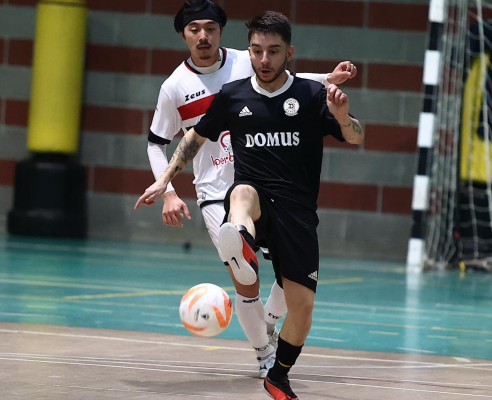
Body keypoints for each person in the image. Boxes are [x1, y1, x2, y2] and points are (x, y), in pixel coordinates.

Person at [136, 10, 363, 399]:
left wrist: (339, 109)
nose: (263, 59)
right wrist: (165, 183)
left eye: (272, 51)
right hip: (238, 193)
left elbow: (349, 130)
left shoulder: (300, 91)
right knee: (242, 199)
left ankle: (276, 364)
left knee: (300, 305)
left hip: (296, 209)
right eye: (257, 51)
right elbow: (192, 138)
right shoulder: (217, 92)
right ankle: (239, 240)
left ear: (288, 52)